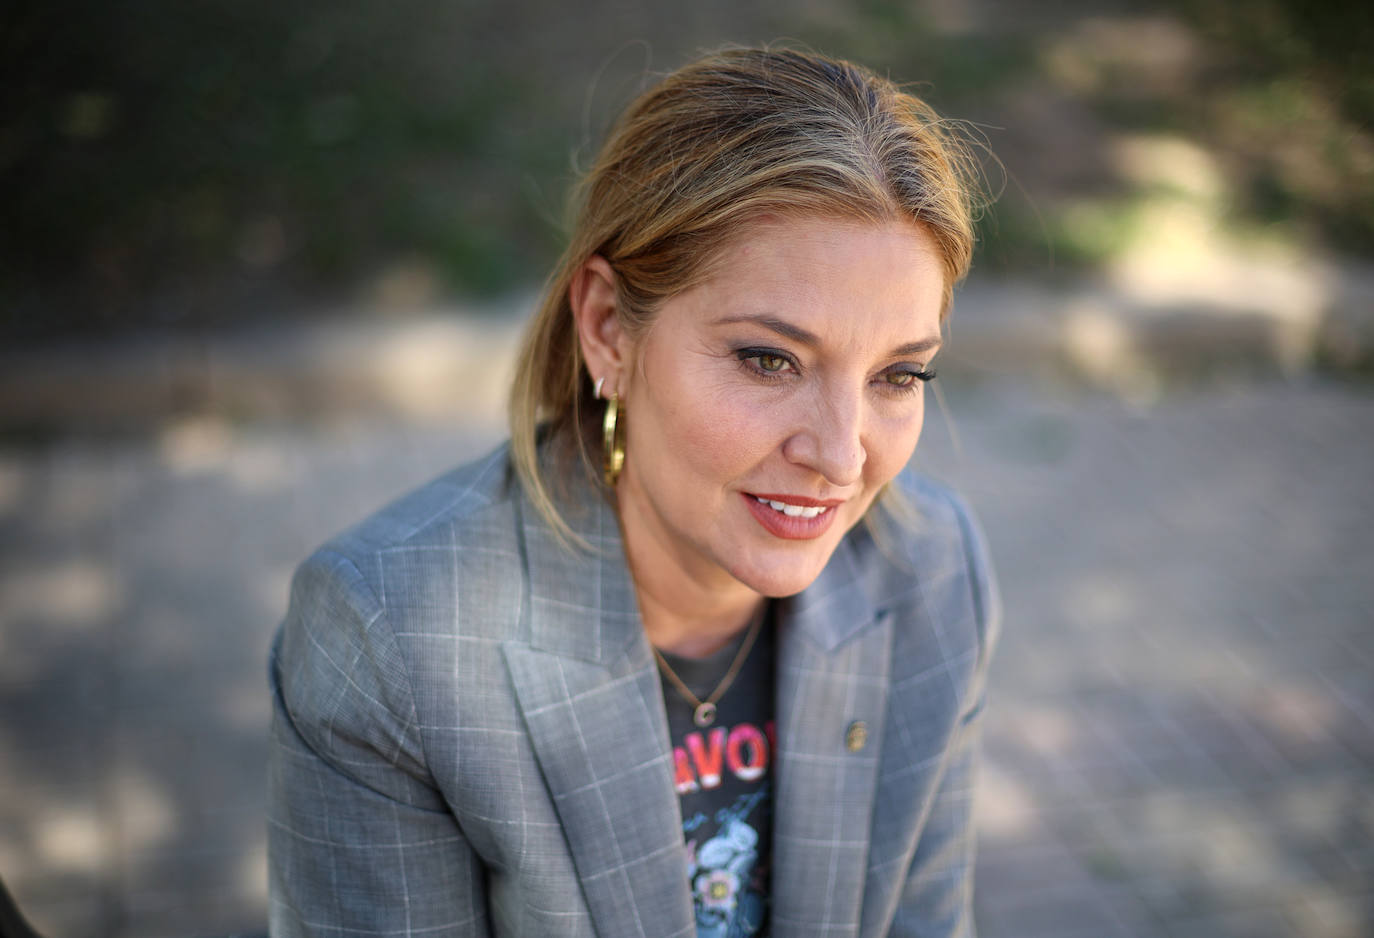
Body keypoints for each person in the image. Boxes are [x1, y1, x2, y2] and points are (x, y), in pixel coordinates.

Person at [268, 46, 1000, 937]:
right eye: (769, 360)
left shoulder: (932, 570)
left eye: (899, 375)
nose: (841, 457)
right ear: (609, 329)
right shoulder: (387, 638)